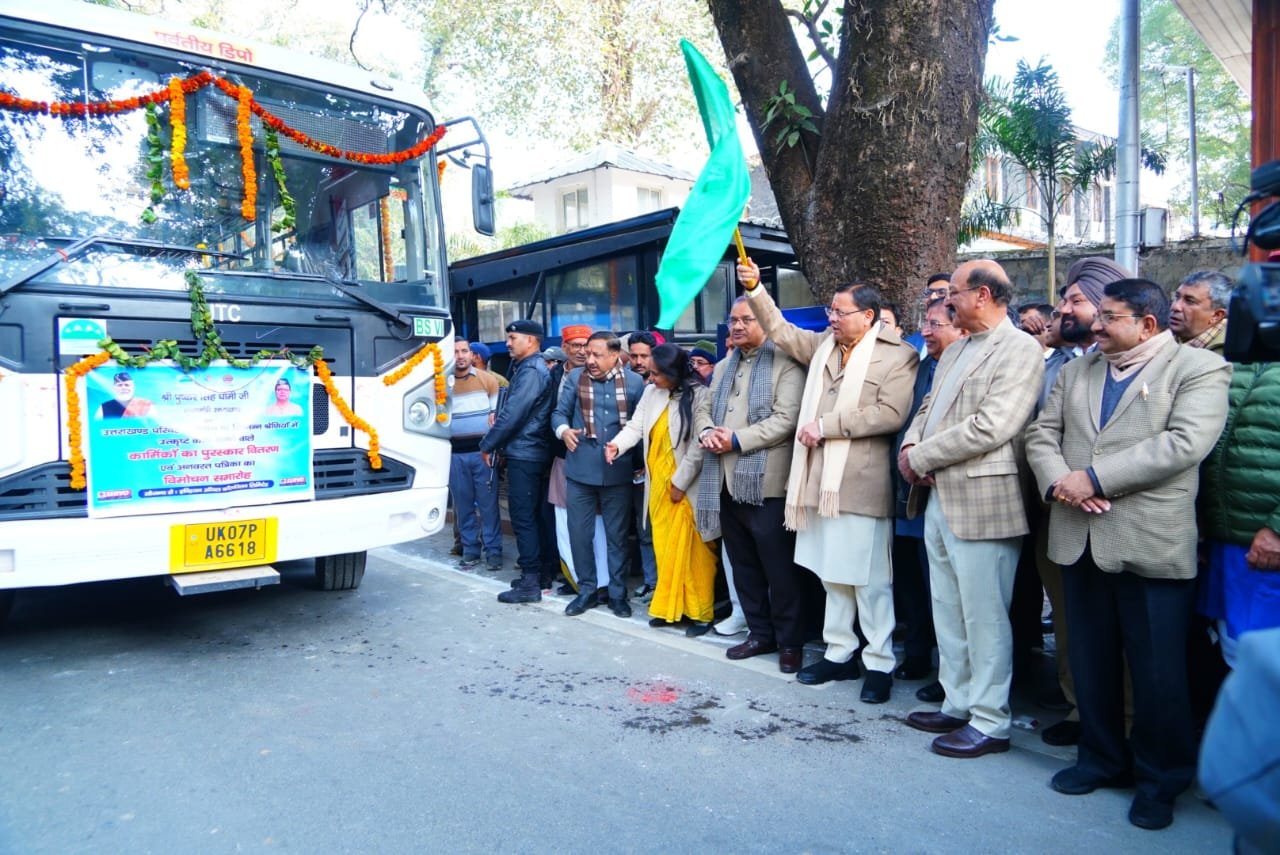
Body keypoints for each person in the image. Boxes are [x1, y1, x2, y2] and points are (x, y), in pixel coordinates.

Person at [1025, 277, 1231, 830]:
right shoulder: (1077, 370)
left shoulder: (1199, 369)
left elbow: (1185, 444)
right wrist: (1060, 484)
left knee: (1158, 672)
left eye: (1108, 316)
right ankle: (1101, 760)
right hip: (1077, 537)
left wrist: (1094, 478)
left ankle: (1161, 778)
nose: (1095, 324)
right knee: (1090, 662)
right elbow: (1041, 435)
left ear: (1146, 322)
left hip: (1149, 542)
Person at [739, 258, 918, 703]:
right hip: (818, 483)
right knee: (831, 577)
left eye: (840, 312)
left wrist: (827, 425)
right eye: (831, 311)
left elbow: (891, 414)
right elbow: (780, 330)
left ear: (868, 316)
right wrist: (757, 288)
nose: (831, 318)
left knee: (869, 581)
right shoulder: (822, 346)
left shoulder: (899, 355)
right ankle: (840, 653)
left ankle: (878, 663)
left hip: (859, 485)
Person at [898, 259, 1044, 759]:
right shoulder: (961, 347)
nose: (943, 304)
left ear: (982, 295)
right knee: (949, 609)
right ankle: (956, 701)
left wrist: (921, 456)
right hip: (939, 495)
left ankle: (990, 721)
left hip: (984, 499)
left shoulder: (1022, 349)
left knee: (984, 616)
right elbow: (927, 407)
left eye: (953, 294)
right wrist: (910, 447)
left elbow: (994, 425)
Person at [694, 295, 808, 670]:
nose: (738, 326)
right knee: (743, 566)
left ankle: (790, 642)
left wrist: (737, 439)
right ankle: (759, 634)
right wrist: (709, 432)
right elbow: (703, 409)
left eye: (747, 319)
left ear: (766, 322)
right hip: (725, 482)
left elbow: (786, 419)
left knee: (780, 571)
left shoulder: (786, 363)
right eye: (733, 320)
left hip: (767, 486)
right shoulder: (725, 364)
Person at [607, 344, 715, 634]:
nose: (651, 378)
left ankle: (700, 613)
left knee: (694, 554)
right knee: (665, 549)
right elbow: (636, 426)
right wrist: (617, 444)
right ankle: (671, 609)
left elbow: (698, 447)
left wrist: (679, 482)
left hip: (687, 487)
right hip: (657, 487)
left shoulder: (701, 395)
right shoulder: (651, 393)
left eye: (656, 374)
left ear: (673, 372)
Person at [893, 298, 966, 694]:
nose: (925, 331)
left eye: (935, 324)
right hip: (909, 491)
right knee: (913, 582)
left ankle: (950, 675)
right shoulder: (920, 366)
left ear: (961, 329)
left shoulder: (970, 367)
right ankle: (918, 653)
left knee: (947, 591)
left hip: (948, 492)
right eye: (925, 323)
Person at [552, 331, 645, 618]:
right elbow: (558, 414)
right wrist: (563, 430)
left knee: (617, 537)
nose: (589, 359)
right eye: (588, 353)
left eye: (597, 355)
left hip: (617, 472)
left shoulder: (635, 382)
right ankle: (587, 591)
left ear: (616, 355)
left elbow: (641, 427)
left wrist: (639, 463)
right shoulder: (575, 378)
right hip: (579, 470)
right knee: (580, 535)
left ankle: (617, 594)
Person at [1197, 360, 1280, 666]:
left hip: (1268, 545)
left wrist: (1277, 530)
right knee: (1235, 652)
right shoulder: (1238, 363)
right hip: (1229, 545)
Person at [482, 320, 556, 605]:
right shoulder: (530, 368)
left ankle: (530, 581)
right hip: (531, 451)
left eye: (513, 337)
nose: (508, 343)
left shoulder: (532, 370)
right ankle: (541, 574)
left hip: (526, 452)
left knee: (524, 518)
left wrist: (488, 443)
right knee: (534, 516)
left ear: (531, 340)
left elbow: (513, 414)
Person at [448, 340, 502, 571]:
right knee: (463, 505)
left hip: (483, 454)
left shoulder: (488, 380)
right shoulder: (440, 383)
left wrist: (494, 450)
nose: (460, 356)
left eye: (464, 351)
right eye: (455, 352)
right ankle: (470, 550)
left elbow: (497, 419)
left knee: (489, 505)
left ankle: (494, 551)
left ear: (472, 354)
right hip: (454, 455)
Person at [625, 331, 660, 601]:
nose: (638, 361)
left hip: (660, 471)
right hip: (630, 469)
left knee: (657, 531)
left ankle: (662, 585)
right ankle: (651, 581)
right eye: (634, 355)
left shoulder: (666, 384)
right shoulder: (625, 382)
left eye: (643, 356)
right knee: (642, 529)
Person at [1170, 269, 1231, 352]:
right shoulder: (1163, 339)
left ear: (1216, 316)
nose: (1175, 307)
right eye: (1177, 297)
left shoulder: (1231, 357)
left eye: (1190, 301)